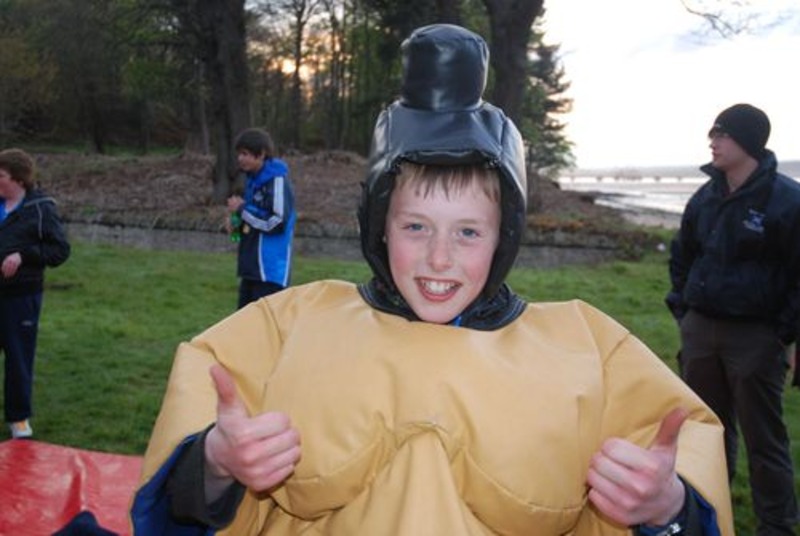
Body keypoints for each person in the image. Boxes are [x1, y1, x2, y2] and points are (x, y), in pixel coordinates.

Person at [132, 24, 734, 535]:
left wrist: (667, 509)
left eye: (468, 232)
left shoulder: (589, 351)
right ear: (379, 227)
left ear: (504, 236)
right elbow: (178, 503)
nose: (439, 258)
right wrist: (215, 464)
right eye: (415, 226)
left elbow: (683, 458)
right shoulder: (288, 326)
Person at [666, 103, 800, 535]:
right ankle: (709, 515)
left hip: (756, 338)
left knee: (765, 441)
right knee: (705, 433)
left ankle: (776, 526)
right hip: (701, 332)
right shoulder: (705, 197)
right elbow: (682, 255)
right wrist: (685, 311)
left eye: (722, 134)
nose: (713, 142)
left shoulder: (787, 201)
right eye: (713, 133)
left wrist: (781, 332)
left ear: (748, 141)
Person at [0, 148, 70, 439]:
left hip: (21, 297)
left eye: (1, 175)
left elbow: (59, 250)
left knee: (18, 358)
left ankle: (18, 419)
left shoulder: (41, 208)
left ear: (18, 179)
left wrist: (24, 256)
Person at [226, 128, 296, 308]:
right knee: (242, 322)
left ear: (261, 154)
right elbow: (250, 222)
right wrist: (235, 225)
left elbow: (277, 222)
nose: (240, 159)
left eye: (245, 154)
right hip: (250, 270)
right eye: (239, 154)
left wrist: (241, 209)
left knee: (266, 324)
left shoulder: (277, 181)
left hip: (269, 272)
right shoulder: (251, 181)